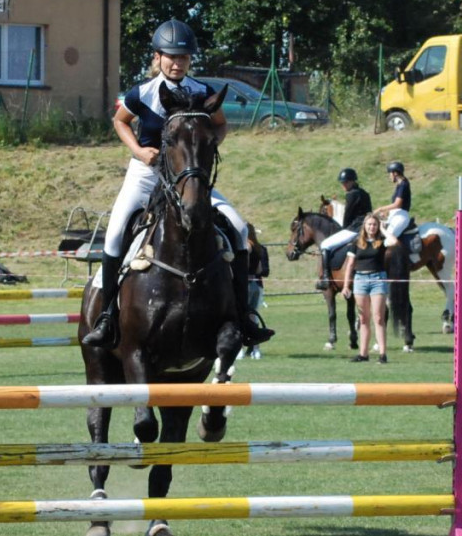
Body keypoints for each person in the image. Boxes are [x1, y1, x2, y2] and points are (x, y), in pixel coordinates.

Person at [81, 18, 274, 349]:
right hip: (147, 174)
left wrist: (204, 150)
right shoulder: (142, 92)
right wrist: (140, 151)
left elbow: (221, 125)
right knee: (114, 234)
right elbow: (119, 121)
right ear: (157, 57)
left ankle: (243, 317)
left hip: (188, 177)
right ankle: (108, 316)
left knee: (240, 229)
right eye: (171, 56)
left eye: (183, 57)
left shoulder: (202, 91)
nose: (177, 63)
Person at [340, 213, 389, 364]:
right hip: (360, 280)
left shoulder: (382, 241)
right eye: (369, 224)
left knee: (379, 318)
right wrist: (346, 285)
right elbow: (350, 265)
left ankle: (382, 354)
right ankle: (363, 354)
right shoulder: (357, 243)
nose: (371, 227)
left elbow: (394, 241)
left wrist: (384, 229)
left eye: (374, 224)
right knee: (363, 319)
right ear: (364, 226)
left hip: (378, 280)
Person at [315, 168, 372, 290]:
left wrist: (343, 228)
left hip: (354, 228)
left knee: (325, 244)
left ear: (352, 181)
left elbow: (348, 215)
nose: (343, 185)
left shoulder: (351, 194)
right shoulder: (364, 193)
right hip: (366, 227)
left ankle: (326, 278)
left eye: (345, 182)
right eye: (342, 182)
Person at [239, 226, 270, 360]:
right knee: (254, 317)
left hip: (245, 284)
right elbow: (260, 270)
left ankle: (240, 349)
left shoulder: (246, 247)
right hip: (257, 284)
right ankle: (256, 350)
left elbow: (242, 266)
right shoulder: (260, 248)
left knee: (240, 316)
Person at [375, 161, 411, 247]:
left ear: (395, 173)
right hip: (395, 215)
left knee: (388, 242)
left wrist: (380, 209)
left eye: (390, 174)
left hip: (401, 216)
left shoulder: (403, 185)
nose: (389, 176)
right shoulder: (400, 185)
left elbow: (397, 204)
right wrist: (386, 213)